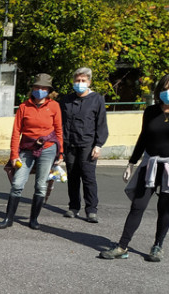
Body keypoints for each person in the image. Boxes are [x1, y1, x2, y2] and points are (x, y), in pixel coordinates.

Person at [101, 72, 169, 262]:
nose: (168, 92)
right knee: (138, 205)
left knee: (164, 206)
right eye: (164, 88)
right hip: (150, 163)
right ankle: (122, 246)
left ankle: (158, 246)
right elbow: (143, 138)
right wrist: (131, 163)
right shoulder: (151, 111)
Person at [0, 73, 63, 230]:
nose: (39, 90)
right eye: (37, 87)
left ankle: (34, 219)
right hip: (27, 149)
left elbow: (59, 131)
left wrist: (60, 153)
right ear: (32, 89)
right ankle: (9, 218)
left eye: (43, 88)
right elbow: (16, 132)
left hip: (48, 148)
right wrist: (14, 155)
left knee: (41, 185)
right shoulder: (23, 107)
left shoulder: (54, 106)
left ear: (49, 90)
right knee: (17, 183)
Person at [60, 67, 108, 223]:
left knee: (88, 177)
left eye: (83, 81)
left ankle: (91, 210)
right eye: (77, 80)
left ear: (89, 82)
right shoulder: (66, 100)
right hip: (70, 144)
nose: (80, 83)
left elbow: (101, 124)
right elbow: (60, 123)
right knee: (73, 177)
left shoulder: (97, 99)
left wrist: (98, 145)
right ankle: (73, 207)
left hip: (88, 145)